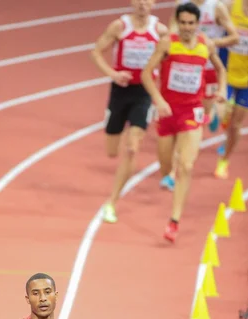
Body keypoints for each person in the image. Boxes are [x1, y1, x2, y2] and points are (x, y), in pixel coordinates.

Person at [141, 2, 227, 242]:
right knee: (166, 168)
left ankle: (174, 221)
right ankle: (168, 174)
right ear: (177, 23)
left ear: (198, 24)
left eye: (191, 23)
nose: (187, 27)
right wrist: (158, 99)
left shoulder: (205, 44)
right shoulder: (168, 43)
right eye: (184, 23)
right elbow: (146, 73)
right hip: (168, 112)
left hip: (192, 111)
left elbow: (221, 69)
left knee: (187, 166)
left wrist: (220, 90)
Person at [90, 0, 168, 224]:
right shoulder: (120, 27)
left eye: (147, 0)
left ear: (153, 3)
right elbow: (95, 52)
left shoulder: (161, 31)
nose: (142, 4)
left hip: (144, 92)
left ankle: (112, 202)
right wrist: (112, 74)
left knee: (133, 148)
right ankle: (125, 135)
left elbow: (171, 60)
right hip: (120, 92)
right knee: (112, 151)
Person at [160, 0, 238, 191]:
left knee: (203, 117)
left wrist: (209, 43)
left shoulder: (216, 7)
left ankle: (213, 115)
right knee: (184, 124)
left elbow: (234, 37)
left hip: (209, 69)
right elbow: (171, 32)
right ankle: (173, 172)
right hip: (188, 68)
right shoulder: (182, 5)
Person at [215, 0, 248, 179]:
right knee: (221, 113)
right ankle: (223, 119)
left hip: (247, 81)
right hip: (226, 72)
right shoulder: (230, 6)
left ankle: (224, 161)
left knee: (236, 125)